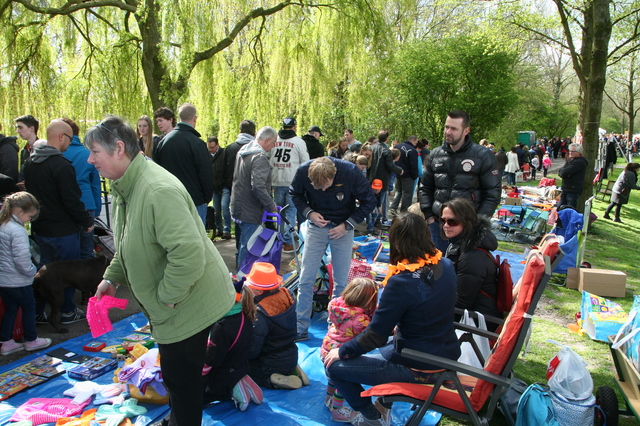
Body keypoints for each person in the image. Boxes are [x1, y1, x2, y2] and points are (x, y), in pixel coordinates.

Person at [88, 116, 236, 426]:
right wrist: (112, 277)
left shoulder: (155, 190)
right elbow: (131, 242)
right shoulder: (125, 184)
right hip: (176, 301)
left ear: (118, 149)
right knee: (177, 376)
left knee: (180, 378)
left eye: (95, 152)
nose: (90, 159)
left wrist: (166, 299)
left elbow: (189, 255)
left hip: (188, 301)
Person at [324, 213, 460, 426]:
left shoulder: (400, 282)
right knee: (381, 349)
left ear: (396, 241)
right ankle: (382, 405)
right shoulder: (446, 264)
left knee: (334, 366)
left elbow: (375, 337)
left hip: (417, 367)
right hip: (446, 356)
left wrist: (340, 350)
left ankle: (371, 416)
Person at [290, 156, 376, 342]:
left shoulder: (351, 172)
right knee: (306, 279)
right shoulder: (303, 171)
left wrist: (348, 224)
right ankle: (300, 326)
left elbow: (369, 201)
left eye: (326, 185)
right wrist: (309, 213)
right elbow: (294, 193)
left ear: (335, 173)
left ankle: (336, 325)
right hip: (316, 227)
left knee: (341, 282)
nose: (322, 190)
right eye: (318, 187)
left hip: (343, 228)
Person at [23, 119, 93, 325]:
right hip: (64, 230)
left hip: (41, 227)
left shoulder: (30, 163)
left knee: (43, 273)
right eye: (70, 139)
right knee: (67, 273)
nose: (69, 144)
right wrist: (86, 221)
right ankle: (67, 311)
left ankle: (37, 311)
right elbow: (71, 199)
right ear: (61, 137)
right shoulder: (61, 165)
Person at [419, 110, 500, 252]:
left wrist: (477, 223)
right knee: (437, 269)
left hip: (467, 228)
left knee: (462, 270)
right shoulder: (435, 155)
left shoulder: (483, 155)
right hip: (438, 226)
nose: (448, 132)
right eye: (446, 127)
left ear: (466, 131)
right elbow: (425, 187)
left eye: (454, 128)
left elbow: (492, 194)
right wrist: (429, 216)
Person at [0, 192, 52, 355]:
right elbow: (22, 259)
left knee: (11, 309)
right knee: (29, 307)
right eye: (30, 217)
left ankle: (7, 341)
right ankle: (31, 339)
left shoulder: (3, 225)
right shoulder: (17, 231)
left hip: (4, 279)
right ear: (20, 211)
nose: (29, 220)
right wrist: (32, 272)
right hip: (18, 280)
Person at [321, 277, 378, 422]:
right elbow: (374, 331)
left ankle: (329, 398)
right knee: (344, 381)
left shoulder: (336, 305)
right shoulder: (361, 320)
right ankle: (337, 410)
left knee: (332, 377)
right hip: (342, 354)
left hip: (327, 348)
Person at [245, 262, 306, 389]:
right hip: (292, 353)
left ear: (259, 291)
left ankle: (272, 380)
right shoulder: (288, 295)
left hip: (269, 363)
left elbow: (253, 351)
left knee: (244, 369)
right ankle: (293, 369)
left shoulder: (260, 315)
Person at [202, 282, 262, 411]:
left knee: (196, 398)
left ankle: (233, 388)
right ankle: (240, 379)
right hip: (241, 365)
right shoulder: (244, 313)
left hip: (223, 376)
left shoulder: (222, 326)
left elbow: (213, 360)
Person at [440, 198, 501, 325]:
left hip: (477, 323)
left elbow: (461, 303)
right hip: (470, 316)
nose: (446, 225)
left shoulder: (472, 256)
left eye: (452, 221)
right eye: (443, 221)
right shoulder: (460, 244)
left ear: (466, 222)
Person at [154, 103, 214, 225]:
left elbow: (157, 171)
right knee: (197, 240)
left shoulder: (163, 143)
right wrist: (206, 198)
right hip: (195, 200)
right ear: (195, 118)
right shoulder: (197, 143)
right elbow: (206, 174)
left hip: (170, 200)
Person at [230, 127, 278, 271]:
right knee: (248, 245)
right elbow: (258, 186)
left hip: (238, 205)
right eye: (274, 142)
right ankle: (243, 279)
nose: (274, 146)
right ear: (267, 140)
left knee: (242, 242)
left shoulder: (244, 151)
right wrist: (271, 205)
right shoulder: (260, 157)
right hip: (250, 209)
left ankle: (239, 273)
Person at [61, 118, 101, 260]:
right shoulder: (88, 153)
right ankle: (89, 280)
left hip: (65, 206)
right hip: (87, 204)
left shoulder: (59, 154)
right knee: (86, 248)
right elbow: (95, 184)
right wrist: (96, 209)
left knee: (68, 249)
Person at [270, 117, 310, 253]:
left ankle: (279, 239)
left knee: (279, 212)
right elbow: (306, 163)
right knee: (290, 212)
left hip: (276, 180)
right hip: (292, 182)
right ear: (294, 127)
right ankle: (288, 242)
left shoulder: (274, 140)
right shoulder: (299, 142)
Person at [222, 120, 256, 241]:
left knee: (237, 221)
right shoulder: (256, 149)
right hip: (249, 191)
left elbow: (224, 168)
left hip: (232, 187)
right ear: (254, 132)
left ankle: (238, 250)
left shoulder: (230, 147)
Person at [368, 130, 403, 225]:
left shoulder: (372, 148)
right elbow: (390, 165)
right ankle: (377, 221)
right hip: (382, 180)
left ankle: (372, 221)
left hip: (371, 177)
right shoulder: (386, 150)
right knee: (380, 201)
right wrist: (400, 170)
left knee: (372, 199)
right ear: (387, 139)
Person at [390, 136, 419, 215]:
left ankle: (394, 207)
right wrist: (414, 176)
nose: (416, 145)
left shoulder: (397, 146)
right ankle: (404, 212)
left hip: (398, 173)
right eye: (416, 143)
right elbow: (413, 164)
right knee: (407, 194)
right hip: (408, 175)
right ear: (412, 140)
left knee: (398, 191)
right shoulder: (412, 150)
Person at [208, 136, 228, 238]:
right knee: (217, 209)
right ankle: (219, 229)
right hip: (214, 186)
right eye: (209, 148)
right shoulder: (207, 155)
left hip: (224, 185)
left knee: (225, 207)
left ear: (217, 145)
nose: (211, 150)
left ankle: (227, 230)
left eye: (212, 147)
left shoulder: (224, 153)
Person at [558, 143, 588, 208]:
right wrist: (565, 173)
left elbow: (564, 172)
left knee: (569, 209)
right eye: (569, 151)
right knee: (560, 208)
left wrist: (565, 173)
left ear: (578, 152)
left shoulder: (580, 162)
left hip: (573, 190)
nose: (570, 153)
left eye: (572, 151)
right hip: (565, 189)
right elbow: (561, 172)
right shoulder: (570, 160)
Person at [15, 115, 39, 185]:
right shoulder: (24, 150)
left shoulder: (43, 149)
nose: (18, 131)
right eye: (17, 128)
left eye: (20, 127)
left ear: (31, 128)